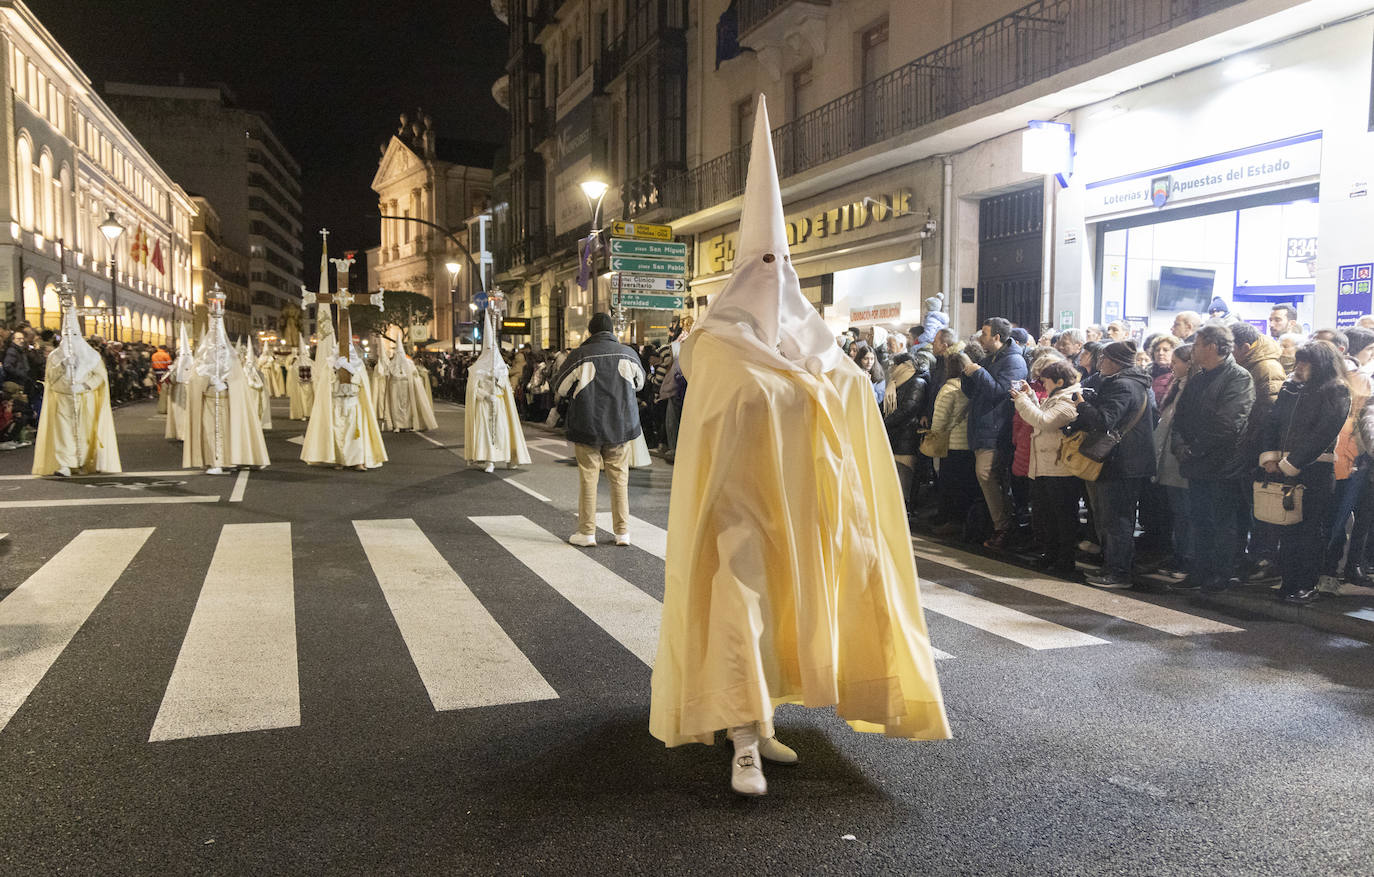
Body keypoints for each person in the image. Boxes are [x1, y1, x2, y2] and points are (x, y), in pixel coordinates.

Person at [648, 97, 948, 797]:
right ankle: (743, 741)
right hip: (736, 511)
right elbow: (716, 421)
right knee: (740, 607)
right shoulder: (714, 346)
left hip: (803, 512)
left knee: (783, 611)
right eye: (761, 264)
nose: (772, 277)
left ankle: (761, 718)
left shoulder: (819, 351)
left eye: (780, 265)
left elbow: (851, 402)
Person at [1262, 341, 1350, 603]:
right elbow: (1272, 422)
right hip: (1283, 467)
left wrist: (1291, 464)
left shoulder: (1336, 390)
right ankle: (1289, 581)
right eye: (1298, 361)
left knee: (1309, 530)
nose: (1299, 367)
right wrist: (1269, 458)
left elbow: (1323, 433)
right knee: (1287, 529)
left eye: (1305, 362)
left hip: (1315, 471)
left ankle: (1306, 584)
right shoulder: (1291, 388)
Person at [1171, 324, 1254, 591]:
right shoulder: (1199, 377)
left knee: (1222, 522)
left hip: (1222, 464)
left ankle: (1221, 573)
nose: (1193, 350)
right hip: (1196, 463)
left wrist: (1194, 448)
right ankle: (1200, 571)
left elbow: (1229, 422)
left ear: (1213, 346)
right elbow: (1180, 416)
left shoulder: (1238, 377)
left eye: (1196, 345)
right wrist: (1180, 445)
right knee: (1200, 519)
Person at [553, 312, 644, 547]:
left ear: (590, 331)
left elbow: (561, 388)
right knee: (620, 478)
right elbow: (640, 383)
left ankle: (587, 532)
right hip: (621, 424)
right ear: (613, 331)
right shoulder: (628, 353)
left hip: (587, 424)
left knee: (589, 476)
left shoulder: (580, 355)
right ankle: (622, 532)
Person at [1071, 340, 1157, 588]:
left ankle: (1118, 572)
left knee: (1116, 519)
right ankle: (1113, 567)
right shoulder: (1132, 382)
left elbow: (1104, 420)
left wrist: (1082, 405)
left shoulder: (1122, 385)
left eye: (1103, 359)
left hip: (1123, 462)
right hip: (1128, 461)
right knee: (1114, 518)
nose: (1099, 364)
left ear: (1116, 362)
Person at [31, 284, 121, 476]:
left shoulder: (91, 355)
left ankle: (85, 461)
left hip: (85, 397)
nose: (69, 338)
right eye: (66, 335)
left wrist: (85, 385)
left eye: (73, 334)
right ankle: (66, 464)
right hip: (63, 397)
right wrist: (62, 364)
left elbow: (100, 376)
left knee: (86, 431)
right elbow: (50, 378)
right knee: (63, 433)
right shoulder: (55, 356)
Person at [183, 287, 270, 474]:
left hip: (227, 402)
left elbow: (239, 384)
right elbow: (193, 380)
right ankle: (216, 462)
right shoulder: (203, 360)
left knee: (232, 431)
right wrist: (206, 381)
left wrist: (227, 384)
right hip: (208, 401)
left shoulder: (231, 361)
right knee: (210, 432)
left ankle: (238, 457)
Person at [958, 317, 1028, 547]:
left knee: (986, 475)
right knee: (985, 477)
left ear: (997, 337)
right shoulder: (991, 358)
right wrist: (967, 374)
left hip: (997, 429)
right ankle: (997, 524)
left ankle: (1004, 526)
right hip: (983, 426)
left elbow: (1000, 392)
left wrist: (978, 372)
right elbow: (975, 392)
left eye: (985, 334)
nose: (981, 338)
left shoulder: (1014, 361)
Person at [1013, 358, 1083, 579]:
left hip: (1061, 469)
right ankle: (1050, 554)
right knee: (1048, 516)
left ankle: (1065, 560)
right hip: (1045, 467)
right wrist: (1031, 397)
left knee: (1063, 518)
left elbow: (1043, 421)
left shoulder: (1069, 401)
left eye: (1046, 382)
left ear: (1060, 381)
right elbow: (1042, 414)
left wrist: (1023, 400)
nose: (1044, 386)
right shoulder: (1056, 397)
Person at [1232, 322, 1286, 580]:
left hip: (1257, 452)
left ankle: (1264, 559)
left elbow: (1269, 415)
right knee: (1250, 507)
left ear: (1244, 347)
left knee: (1263, 508)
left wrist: (1260, 452)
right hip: (1247, 449)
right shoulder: (1250, 365)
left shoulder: (1265, 367)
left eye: (1229, 347)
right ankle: (1253, 556)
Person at [465, 309, 531, 473]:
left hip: (500, 403)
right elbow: (473, 389)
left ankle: (509, 457)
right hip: (484, 405)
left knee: (502, 431)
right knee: (486, 434)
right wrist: (485, 395)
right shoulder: (476, 369)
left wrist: (498, 379)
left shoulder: (501, 367)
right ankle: (489, 459)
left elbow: (506, 386)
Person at [1153, 344, 1194, 578]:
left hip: (1180, 459)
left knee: (1187, 513)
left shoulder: (1192, 387)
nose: (1172, 365)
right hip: (1169, 458)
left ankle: (1187, 557)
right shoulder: (1177, 385)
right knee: (1179, 512)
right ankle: (1179, 553)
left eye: (1177, 361)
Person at [882, 342, 930, 514]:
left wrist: (883, 424)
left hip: (907, 438)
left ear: (903, 366)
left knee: (905, 477)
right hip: (895, 437)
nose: (891, 368)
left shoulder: (916, 382)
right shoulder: (896, 383)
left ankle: (905, 511)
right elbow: (884, 407)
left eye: (895, 365)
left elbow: (908, 409)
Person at [164, 324, 194, 442]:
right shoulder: (191, 363)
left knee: (180, 412)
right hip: (184, 390)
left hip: (178, 391)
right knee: (184, 412)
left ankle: (182, 433)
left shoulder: (178, 364)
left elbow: (173, 378)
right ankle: (184, 432)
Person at [1148, 334, 1181, 403]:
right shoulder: (1146, 373)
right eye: (1157, 350)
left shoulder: (1179, 375)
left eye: (1165, 350)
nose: (1160, 353)